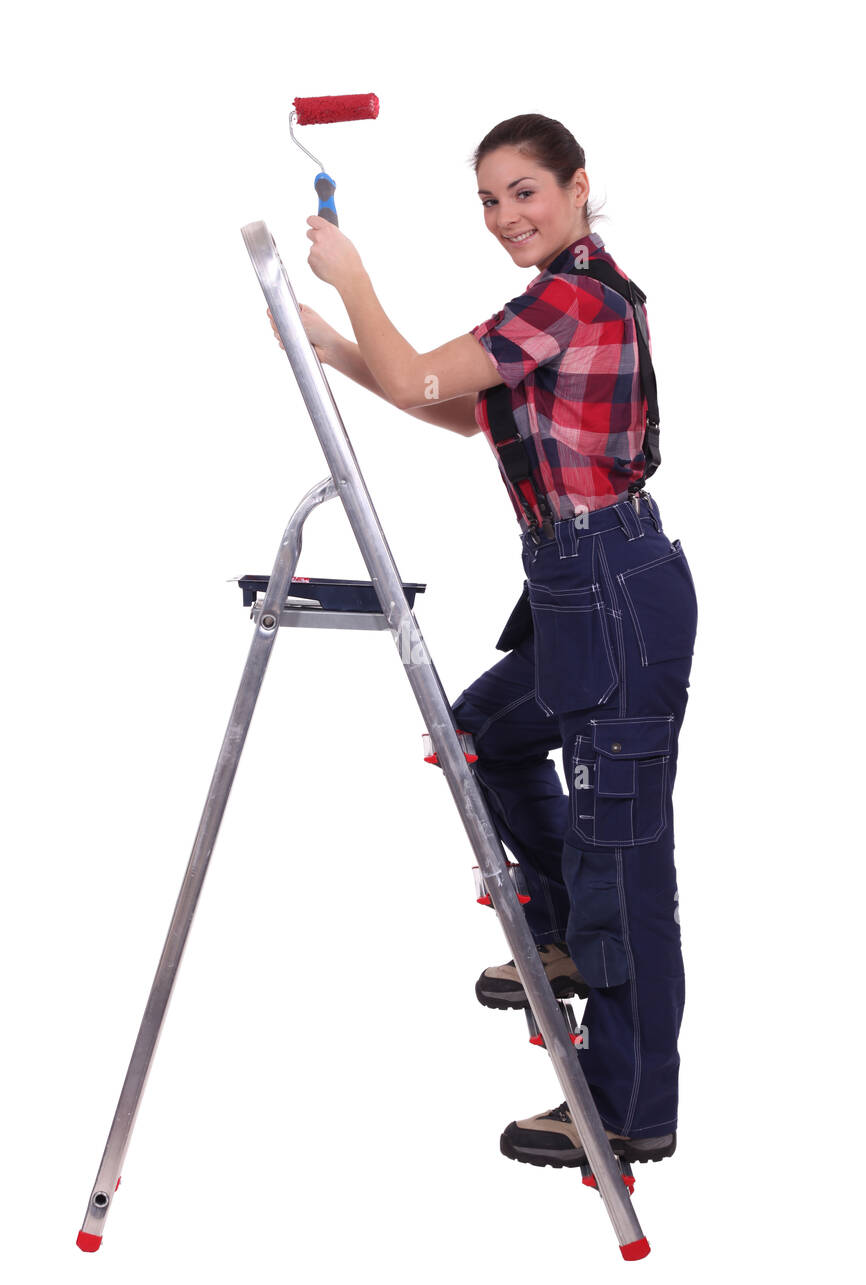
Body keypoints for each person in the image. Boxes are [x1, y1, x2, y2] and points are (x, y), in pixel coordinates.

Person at [269, 112, 698, 1172]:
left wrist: (352, 281)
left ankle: (631, 1105)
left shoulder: (570, 296)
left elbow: (426, 379)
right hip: (576, 587)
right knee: (484, 733)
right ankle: (553, 935)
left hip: (610, 586)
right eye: (489, 200)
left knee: (623, 853)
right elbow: (461, 411)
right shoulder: (555, 298)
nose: (507, 215)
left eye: (524, 192)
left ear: (575, 185)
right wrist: (339, 345)